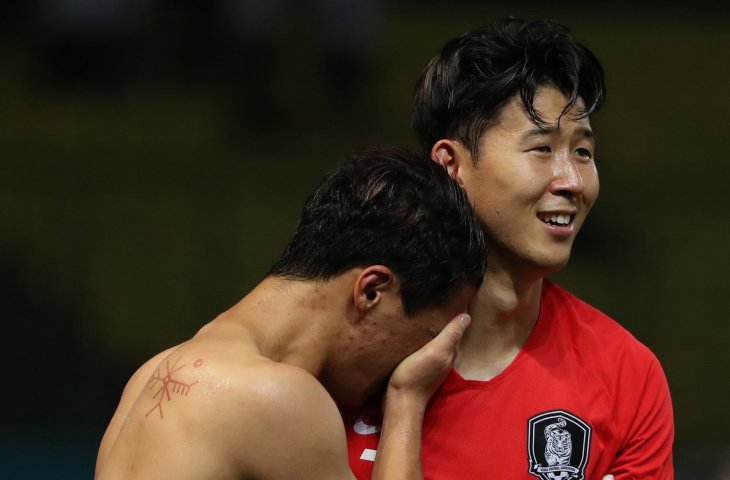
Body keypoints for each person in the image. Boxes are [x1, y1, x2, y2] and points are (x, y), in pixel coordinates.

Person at [344, 17, 674, 479]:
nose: (573, 182)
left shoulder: (627, 378)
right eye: (542, 149)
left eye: (582, 152)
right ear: (450, 165)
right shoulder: (347, 354)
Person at [94, 146, 487, 479]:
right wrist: (407, 400)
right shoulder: (277, 399)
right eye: (428, 337)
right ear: (371, 291)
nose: (423, 359)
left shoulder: (149, 376)